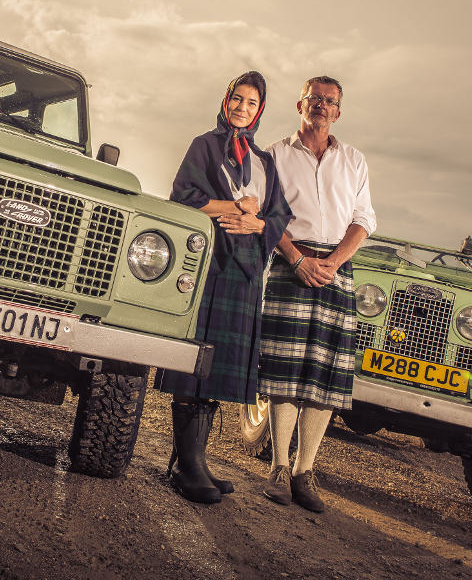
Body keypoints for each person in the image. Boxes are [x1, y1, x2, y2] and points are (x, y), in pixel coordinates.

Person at [155, 71, 292, 504]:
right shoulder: (205, 145)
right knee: (195, 357)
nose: (242, 108)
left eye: (252, 103)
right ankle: (187, 466)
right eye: (237, 99)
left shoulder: (265, 161)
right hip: (209, 263)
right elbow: (183, 196)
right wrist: (233, 207)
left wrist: (255, 222)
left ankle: (193, 461)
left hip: (246, 271)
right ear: (226, 99)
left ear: (260, 111)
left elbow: (280, 216)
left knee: (220, 365)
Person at [259, 75, 376, 513]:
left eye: (330, 102)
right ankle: (277, 470)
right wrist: (296, 260)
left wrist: (335, 262)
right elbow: (268, 217)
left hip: (335, 271)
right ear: (299, 105)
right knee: (285, 371)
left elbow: (364, 219)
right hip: (291, 265)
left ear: (339, 112)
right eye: (314, 99)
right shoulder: (274, 154)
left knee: (324, 376)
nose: (321, 106)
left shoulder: (354, 160)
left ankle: (305, 472)